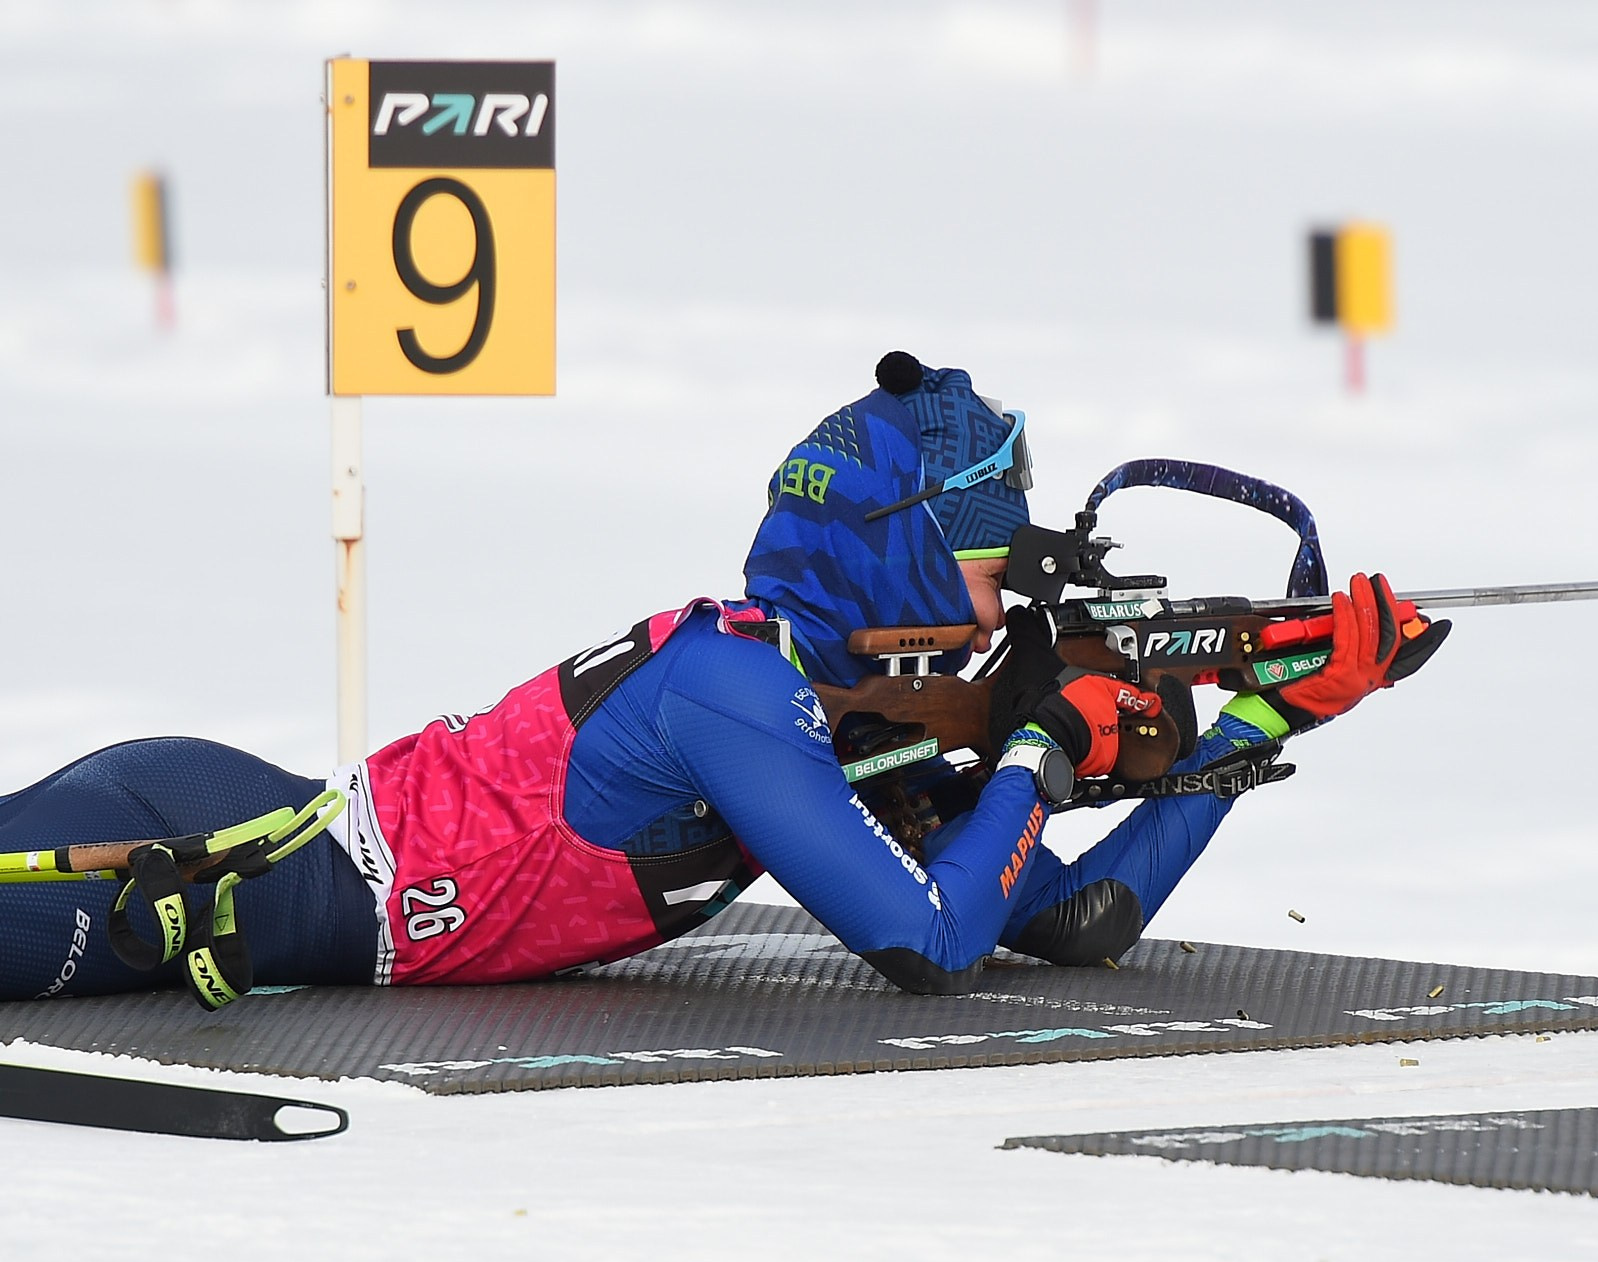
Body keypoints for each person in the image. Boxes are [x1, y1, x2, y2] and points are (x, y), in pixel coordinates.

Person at [0, 354, 1440, 1005]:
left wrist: (1265, 719)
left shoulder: (835, 706)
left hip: (270, 892)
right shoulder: (737, 699)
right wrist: (1042, 753)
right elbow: (929, 950)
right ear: (904, 564)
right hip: (218, 864)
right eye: (992, 560)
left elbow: (1058, 919)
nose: (1010, 595)